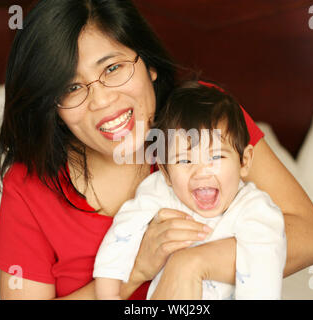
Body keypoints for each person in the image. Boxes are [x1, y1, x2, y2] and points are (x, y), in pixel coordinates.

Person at [0, 0, 313, 300]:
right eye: (72, 87)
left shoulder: (205, 116)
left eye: (113, 68)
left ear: (149, 65)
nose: (103, 100)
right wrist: (135, 271)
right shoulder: (29, 185)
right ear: (53, 106)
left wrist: (193, 263)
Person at [93, 81, 287, 300]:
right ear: (165, 173)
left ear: (244, 161)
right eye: (184, 160)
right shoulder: (162, 192)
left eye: (216, 157)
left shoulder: (255, 211)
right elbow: (122, 233)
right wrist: (108, 293)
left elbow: (263, 274)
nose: (201, 171)